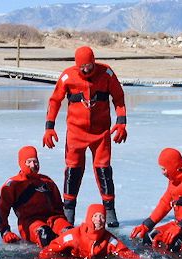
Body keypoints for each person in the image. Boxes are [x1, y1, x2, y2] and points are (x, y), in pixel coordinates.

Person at [42, 45, 127, 227]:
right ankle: (68, 211)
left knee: (104, 170)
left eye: (90, 66)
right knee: (73, 170)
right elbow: (55, 100)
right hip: (76, 132)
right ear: (77, 65)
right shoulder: (67, 76)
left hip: (101, 132)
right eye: (83, 67)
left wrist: (121, 122)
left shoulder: (107, 74)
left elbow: (119, 97)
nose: (87, 70)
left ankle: (109, 209)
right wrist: (49, 126)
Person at [0, 146, 73, 247]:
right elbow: (2, 210)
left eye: (35, 161)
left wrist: (62, 224)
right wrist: (5, 232)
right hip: (30, 223)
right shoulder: (13, 185)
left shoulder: (46, 181)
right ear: (21, 163)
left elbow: (58, 206)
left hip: (52, 219)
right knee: (45, 234)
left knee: (70, 234)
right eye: (29, 162)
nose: (33, 165)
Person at [38, 204, 141, 259]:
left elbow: (124, 252)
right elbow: (53, 246)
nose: (99, 220)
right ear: (89, 218)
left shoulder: (109, 239)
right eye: (95, 216)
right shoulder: (73, 235)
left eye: (102, 217)